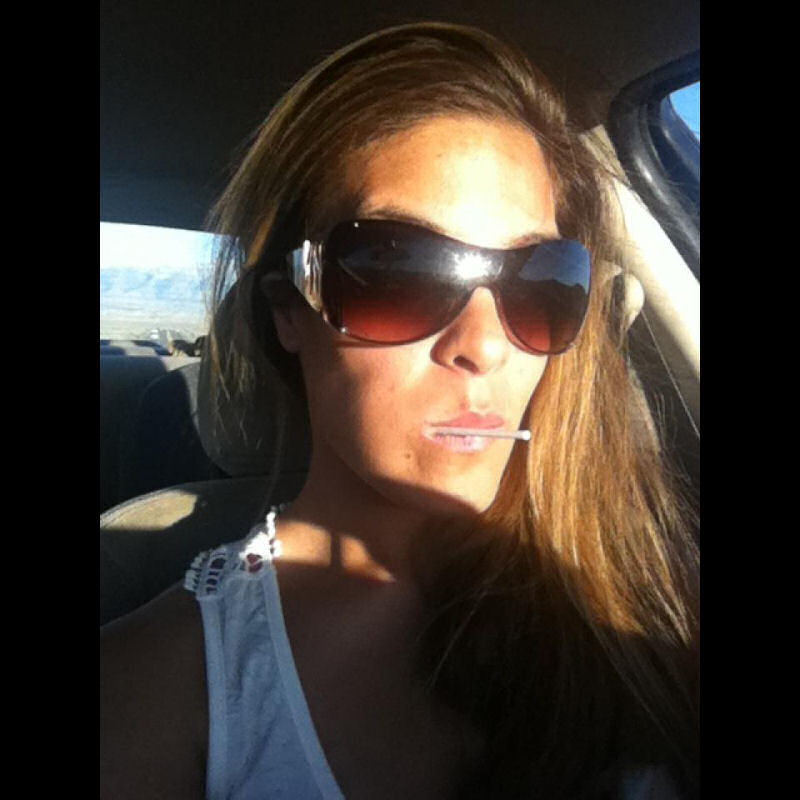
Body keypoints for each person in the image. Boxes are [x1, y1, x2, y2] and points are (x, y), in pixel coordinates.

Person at [100, 22, 699, 799]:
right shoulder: (150, 700)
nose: (484, 346)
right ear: (289, 307)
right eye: (398, 271)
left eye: (539, 280)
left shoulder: (644, 593)